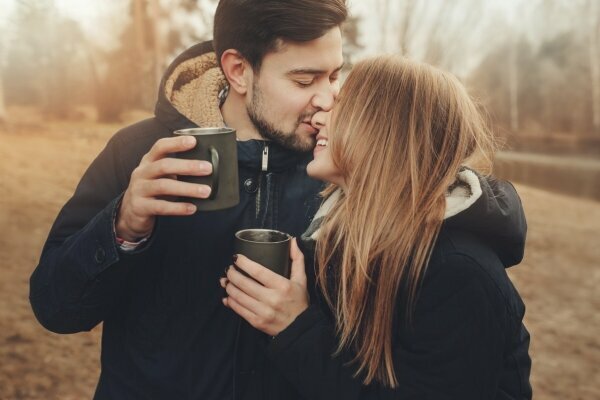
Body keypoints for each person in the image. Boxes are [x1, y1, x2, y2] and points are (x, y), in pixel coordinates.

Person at [29, 0, 348, 398]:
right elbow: (55, 309)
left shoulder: (339, 171)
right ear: (238, 71)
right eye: (305, 80)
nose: (328, 98)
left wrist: (300, 325)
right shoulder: (139, 151)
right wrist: (121, 226)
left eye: (334, 75)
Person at [222, 55, 533, 399]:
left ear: (384, 132)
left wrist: (295, 329)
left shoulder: (459, 273)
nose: (321, 114)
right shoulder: (337, 233)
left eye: (342, 106)